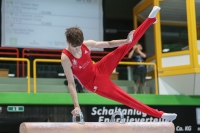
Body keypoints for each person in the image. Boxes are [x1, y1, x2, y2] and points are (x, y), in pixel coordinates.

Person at [61, 6, 177, 121]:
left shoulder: (87, 44)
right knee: (125, 98)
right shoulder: (66, 58)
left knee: (126, 45)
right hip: (93, 83)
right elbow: (71, 84)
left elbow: (109, 43)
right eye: (74, 47)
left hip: (99, 68)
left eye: (79, 46)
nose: (78, 49)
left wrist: (126, 41)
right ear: (67, 42)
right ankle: (160, 115)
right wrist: (77, 105)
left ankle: (150, 19)